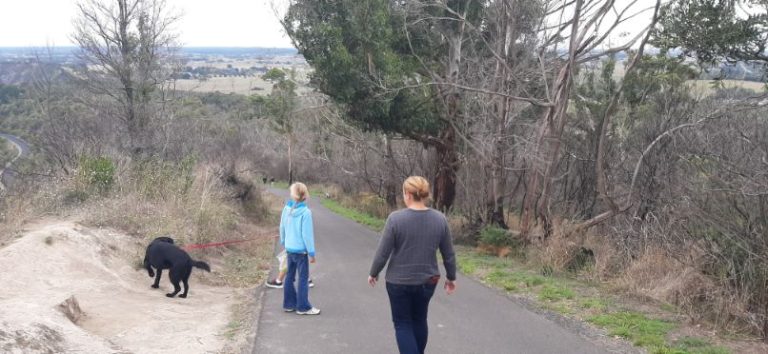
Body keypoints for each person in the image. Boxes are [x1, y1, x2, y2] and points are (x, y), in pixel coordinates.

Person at [368, 176, 457, 354]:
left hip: (398, 282)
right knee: (419, 319)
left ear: (408, 194)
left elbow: (382, 252)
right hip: (428, 281)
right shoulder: (440, 219)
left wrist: (374, 272)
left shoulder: (395, 219)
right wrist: (451, 277)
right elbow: (449, 253)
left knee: (402, 324)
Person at [280, 182, 320, 315]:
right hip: (301, 252)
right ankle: (303, 307)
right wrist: (312, 253)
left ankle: (289, 304)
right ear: (305, 195)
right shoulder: (306, 212)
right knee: (303, 279)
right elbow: (307, 235)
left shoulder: (287, 209)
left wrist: (283, 241)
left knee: (289, 277)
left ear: (293, 194)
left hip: (289, 249)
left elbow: (282, 227)